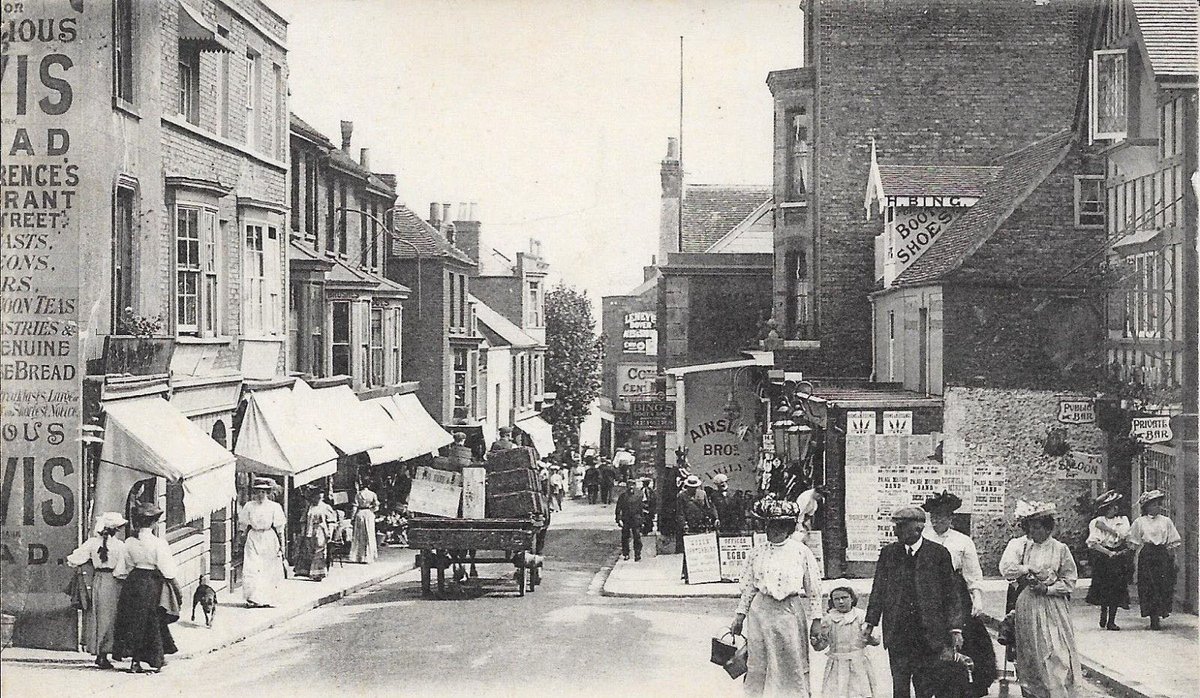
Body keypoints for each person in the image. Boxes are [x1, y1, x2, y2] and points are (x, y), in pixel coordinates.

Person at [863, 506, 963, 698]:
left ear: (918, 528)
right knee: (899, 687)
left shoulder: (938, 554)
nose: (895, 531)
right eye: (895, 526)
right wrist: (870, 622)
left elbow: (951, 594)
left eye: (900, 526)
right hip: (897, 633)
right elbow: (879, 590)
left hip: (928, 635)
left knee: (924, 688)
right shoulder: (888, 553)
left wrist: (955, 628)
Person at [729, 498, 823, 697]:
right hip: (761, 613)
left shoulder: (801, 552)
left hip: (789, 612)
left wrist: (816, 619)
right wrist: (739, 617)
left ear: (789, 527)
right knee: (760, 659)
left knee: (790, 658)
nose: (774, 530)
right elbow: (749, 588)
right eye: (770, 525)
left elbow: (814, 588)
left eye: (780, 525)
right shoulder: (757, 553)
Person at [998, 500, 1082, 698]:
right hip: (1028, 605)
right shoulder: (1025, 547)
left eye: (1037, 528)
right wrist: (1026, 572)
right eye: (1031, 527)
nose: (1033, 532)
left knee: (1057, 652)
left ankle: (1058, 692)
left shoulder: (1060, 549)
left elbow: (1069, 580)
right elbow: (1007, 569)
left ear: (1048, 528)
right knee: (1032, 654)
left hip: (1053, 606)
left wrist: (1048, 588)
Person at [921, 491, 996, 697]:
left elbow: (973, 574)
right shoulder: (924, 538)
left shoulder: (962, 541)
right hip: (928, 591)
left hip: (955, 592)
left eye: (942, 517)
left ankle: (964, 685)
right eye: (934, 517)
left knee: (963, 635)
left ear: (950, 518)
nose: (937, 521)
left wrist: (977, 598)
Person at [111, 501, 178, 673]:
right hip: (152, 582)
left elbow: (122, 569)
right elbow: (168, 570)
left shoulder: (129, 542)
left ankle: (135, 660)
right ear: (154, 523)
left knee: (133, 620)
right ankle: (155, 659)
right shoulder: (159, 543)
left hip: (133, 582)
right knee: (152, 620)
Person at [66, 511, 127, 669]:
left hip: (97, 579)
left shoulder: (92, 543)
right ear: (116, 529)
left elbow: (73, 560)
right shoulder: (120, 546)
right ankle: (107, 651)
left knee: (97, 615)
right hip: (113, 581)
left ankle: (99, 652)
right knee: (111, 617)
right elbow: (121, 570)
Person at [1127, 489, 1182, 630]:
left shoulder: (1166, 521)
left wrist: (1174, 558)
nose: (1157, 507)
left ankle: (1161, 612)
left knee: (1162, 584)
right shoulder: (1140, 522)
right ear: (1147, 507)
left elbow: (1172, 541)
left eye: (1158, 504)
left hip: (1162, 554)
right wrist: (1133, 561)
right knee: (1148, 586)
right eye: (1153, 504)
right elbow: (1134, 542)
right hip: (1147, 555)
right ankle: (1153, 617)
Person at [1084, 489, 1132, 631]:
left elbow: (1124, 536)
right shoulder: (1097, 521)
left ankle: (1112, 620)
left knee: (1116, 588)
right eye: (1111, 506)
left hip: (1118, 555)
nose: (1115, 509)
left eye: (1116, 505)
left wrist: (1108, 529)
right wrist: (1108, 552)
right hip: (1103, 556)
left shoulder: (1122, 520)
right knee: (1104, 587)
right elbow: (1093, 542)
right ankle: (1103, 611)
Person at [820, 586, 879, 698]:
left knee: (858, 691)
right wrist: (817, 641)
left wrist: (869, 638)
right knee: (836, 692)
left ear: (852, 598)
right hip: (837, 664)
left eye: (844, 597)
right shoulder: (828, 619)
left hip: (858, 663)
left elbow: (876, 640)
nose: (841, 602)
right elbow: (823, 644)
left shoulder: (861, 616)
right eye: (836, 599)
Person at [241, 478, 287, 607]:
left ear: (268, 492)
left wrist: (282, 546)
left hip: (269, 538)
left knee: (268, 568)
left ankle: (268, 598)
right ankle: (253, 598)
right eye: (258, 491)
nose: (260, 494)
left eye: (263, 491)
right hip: (253, 537)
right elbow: (243, 525)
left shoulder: (274, 507)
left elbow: (280, 529)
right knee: (252, 567)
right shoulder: (249, 506)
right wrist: (240, 539)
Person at [676, 475, 718, 581]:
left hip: (701, 524)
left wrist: (714, 519)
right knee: (689, 549)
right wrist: (684, 524)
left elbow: (708, 508)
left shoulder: (702, 494)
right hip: (689, 525)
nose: (693, 489)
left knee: (701, 548)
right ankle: (686, 572)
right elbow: (680, 512)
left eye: (695, 487)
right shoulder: (681, 496)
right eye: (691, 487)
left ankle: (702, 571)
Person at [295, 489, 336, 581]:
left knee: (319, 551)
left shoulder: (326, 507)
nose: (317, 499)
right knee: (309, 551)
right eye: (316, 497)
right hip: (309, 530)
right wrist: (303, 531)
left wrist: (330, 532)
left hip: (320, 530)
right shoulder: (309, 507)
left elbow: (331, 521)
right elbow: (303, 520)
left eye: (320, 497)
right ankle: (309, 572)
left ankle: (318, 574)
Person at [350, 479, 380, 564]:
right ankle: (368, 556)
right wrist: (371, 510)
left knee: (359, 535)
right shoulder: (372, 494)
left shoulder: (358, 494)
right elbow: (376, 506)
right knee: (369, 534)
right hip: (369, 514)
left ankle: (359, 557)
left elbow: (355, 507)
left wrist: (352, 517)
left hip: (360, 514)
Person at [615, 480, 645, 561]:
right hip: (626, 519)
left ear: (635, 486)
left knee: (637, 536)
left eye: (633, 485)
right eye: (629, 485)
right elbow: (618, 509)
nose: (631, 487)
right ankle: (626, 553)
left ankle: (637, 554)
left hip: (636, 518)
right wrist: (618, 519)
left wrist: (642, 520)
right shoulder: (623, 496)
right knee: (625, 537)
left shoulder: (639, 495)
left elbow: (641, 508)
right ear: (627, 486)